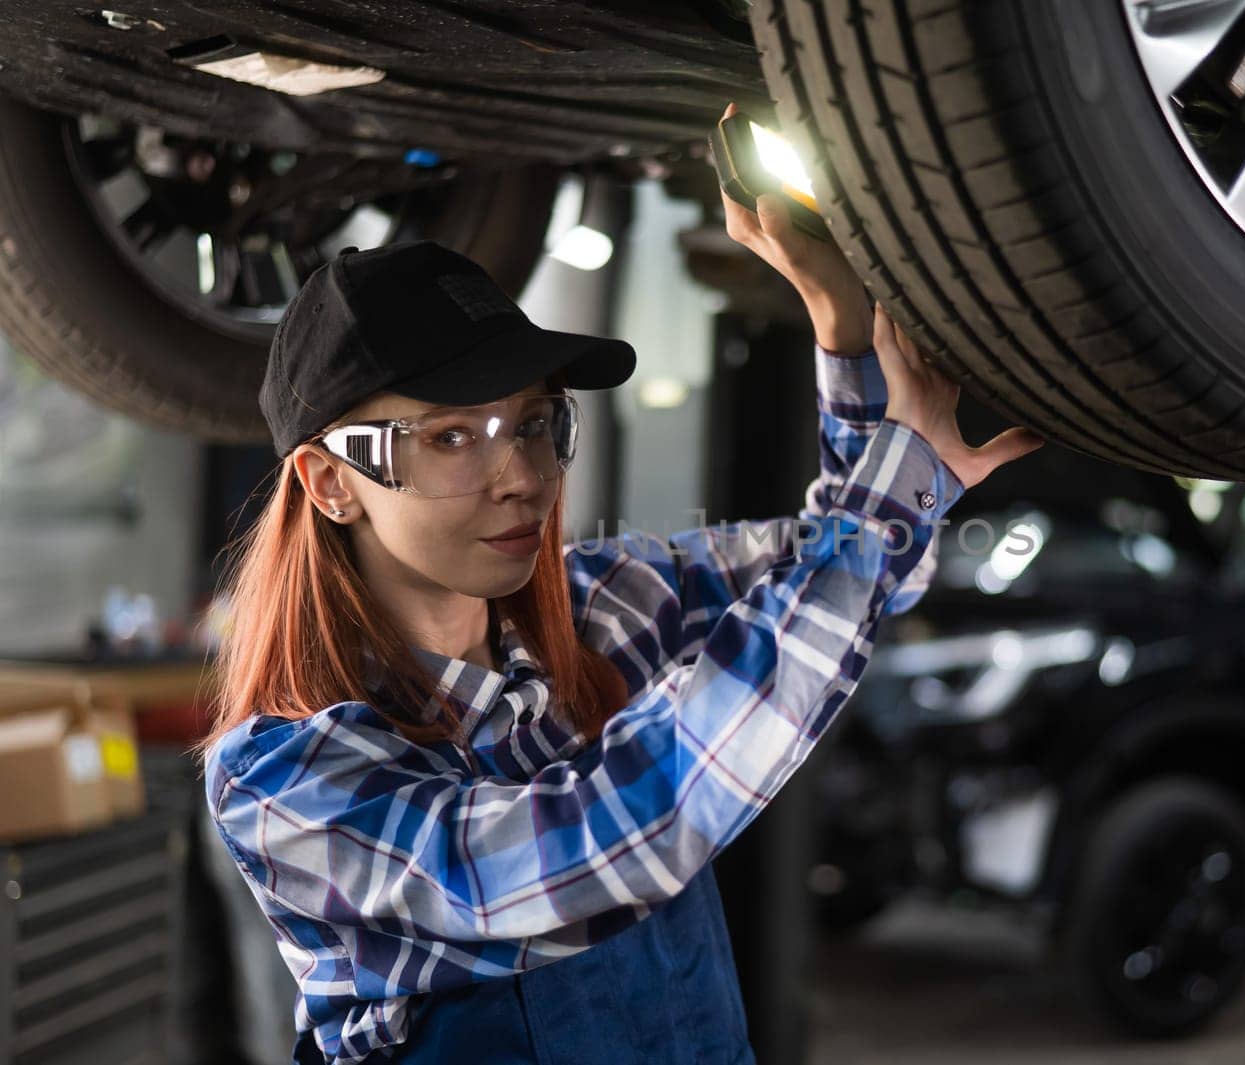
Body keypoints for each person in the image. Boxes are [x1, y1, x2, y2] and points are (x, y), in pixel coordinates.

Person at [194, 149, 1044, 1064]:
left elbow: (860, 572)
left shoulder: (599, 606)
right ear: (331, 482)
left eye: (533, 422)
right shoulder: (283, 780)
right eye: (451, 436)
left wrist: (840, 330)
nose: (523, 478)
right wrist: (888, 498)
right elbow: (613, 838)